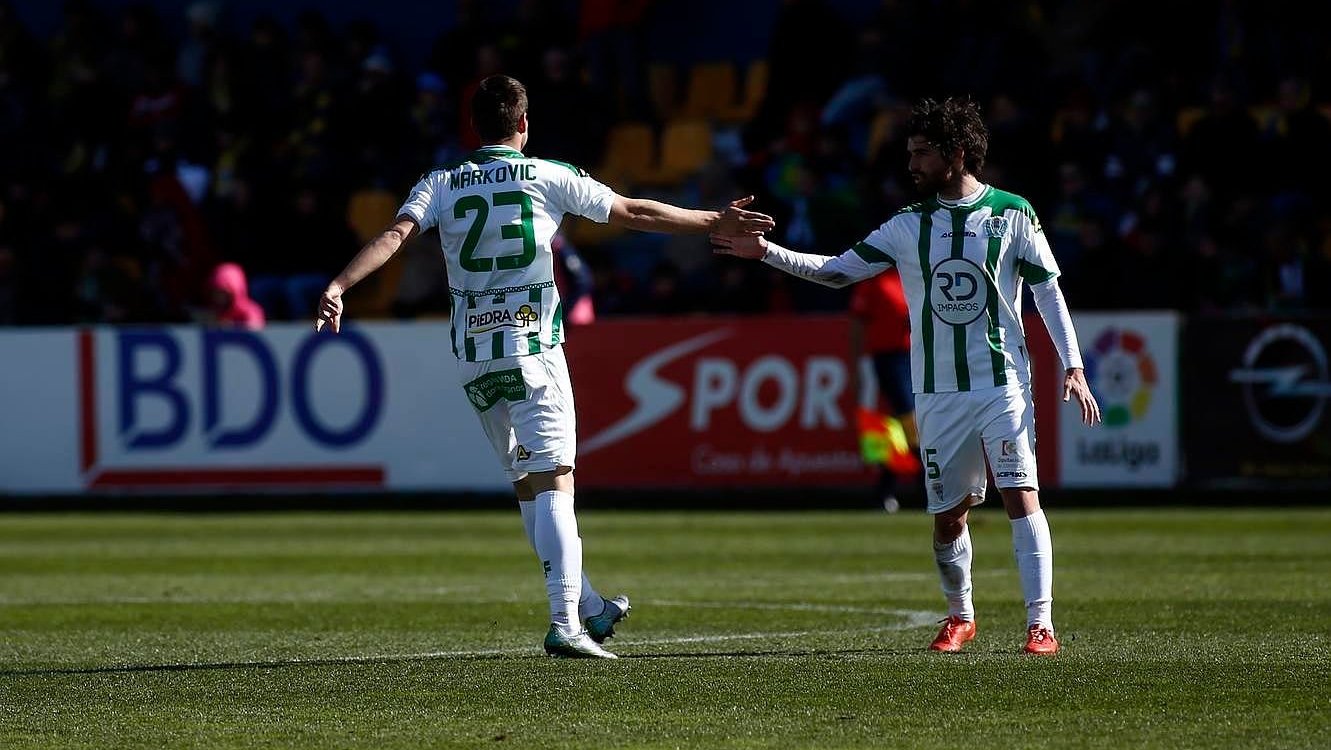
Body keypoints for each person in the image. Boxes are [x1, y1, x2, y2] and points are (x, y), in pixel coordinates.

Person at [315, 75, 773, 659]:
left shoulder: (442, 181)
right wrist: (713, 221)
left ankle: (589, 606)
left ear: (473, 128)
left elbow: (394, 235)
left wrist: (339, 284)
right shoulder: (547, 175)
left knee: (531, 487)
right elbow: (632, 210)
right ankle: (566, 624)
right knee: (557, 478)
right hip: (532, 348)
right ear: (524, 125)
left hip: (476, 361)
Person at [713, 96, 1100, 655]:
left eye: (921, 153)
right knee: (948, 518)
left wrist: (1074, 366)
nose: (911, 164)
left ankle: (1041, 625)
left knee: (1022, 495)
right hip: (938, 391)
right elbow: (836, 272)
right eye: (910, 153)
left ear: (956, 154)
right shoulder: (906, 226)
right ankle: (960, 616)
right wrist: (767, 252)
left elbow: (1047, 291)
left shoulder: (1014, 212)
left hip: (1002, 383)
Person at [848, 269, 918, 512]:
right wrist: (855, 364)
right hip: (887, 359)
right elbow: (858, 322)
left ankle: (885, 490)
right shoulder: (873, 282)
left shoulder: (913, 275)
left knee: (900, 427)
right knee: (910, 421)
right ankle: (929, 487)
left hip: (915, 358)